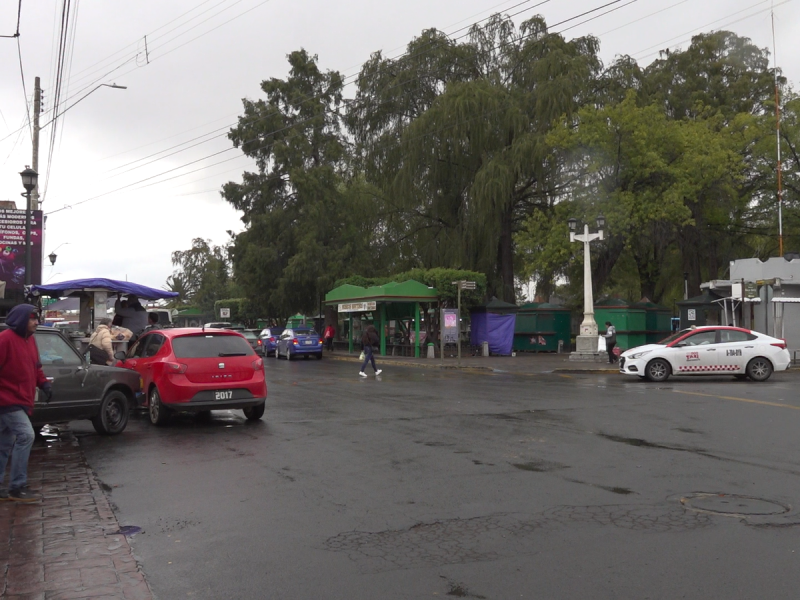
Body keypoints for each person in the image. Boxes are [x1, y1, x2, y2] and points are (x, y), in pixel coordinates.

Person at [0, 304, 52, 502]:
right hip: (7, 399)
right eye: (32, 318)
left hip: (22, 399)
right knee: (26, 435)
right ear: (22, 319)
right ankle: (17, 486)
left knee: (4, 443)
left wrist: (44, 384)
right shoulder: (5, 340)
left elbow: (36, 367)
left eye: (36, 318)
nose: (36, 322)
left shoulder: (30, 340)